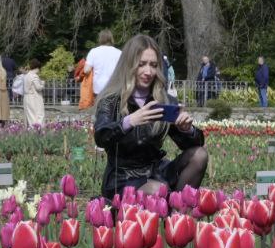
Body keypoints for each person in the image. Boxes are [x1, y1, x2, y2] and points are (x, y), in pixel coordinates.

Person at [94, 34, 208, 198]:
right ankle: (166, 209)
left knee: (199, 155)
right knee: (157, 189)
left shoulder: (163, 100)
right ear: (129, 64)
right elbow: (101, 136)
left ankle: (178, 217)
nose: (148, 71)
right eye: (141, 64)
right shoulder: (111, 100)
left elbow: (194, 145)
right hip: (123, 177)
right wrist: (129, 121)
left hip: (156, 171)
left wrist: (187, 130)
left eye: (153, 65)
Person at [83, 30, 122, 96]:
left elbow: (86, 70)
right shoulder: (119, 52)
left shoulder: (94, 51)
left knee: (100, 105)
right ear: (111, 39)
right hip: (114, 87)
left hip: (98, 88)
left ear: (100, 39)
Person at [21, 60, 45, 128]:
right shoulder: (34, 76)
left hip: (26, 97)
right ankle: (37, 129)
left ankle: (30, 129)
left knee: (29, 114)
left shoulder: (26, 75)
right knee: (38, 114)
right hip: (34, 98)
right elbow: (38, 88)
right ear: (37, 68)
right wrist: (43, 84)